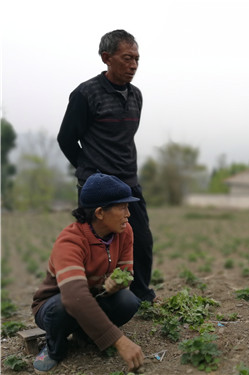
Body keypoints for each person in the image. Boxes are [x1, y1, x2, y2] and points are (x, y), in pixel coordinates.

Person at [57, 29, 156, 302]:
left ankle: (140, 295)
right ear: (106, 58)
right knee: (94, 245)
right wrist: (89, 173)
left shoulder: (136, 95)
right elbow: (66, 138)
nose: (134, 65)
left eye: (137, 58)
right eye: (127, 58)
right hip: (97, 187)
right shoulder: (86, 94)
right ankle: (90, 299)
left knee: (142, 241)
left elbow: (123, 139)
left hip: (127, 184)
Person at [31, 172, 145, 373]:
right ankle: (54, 348)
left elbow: (126, 273)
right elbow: (75, 297)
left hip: (94, 297)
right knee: (62, 307)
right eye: (122, 207)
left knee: (128, 301)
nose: (128, 214)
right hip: (54, 305)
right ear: (100, 213)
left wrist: (115, 284)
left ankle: (87, 333)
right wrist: (119, 340)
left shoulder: (124, 231)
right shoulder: (70, 241)